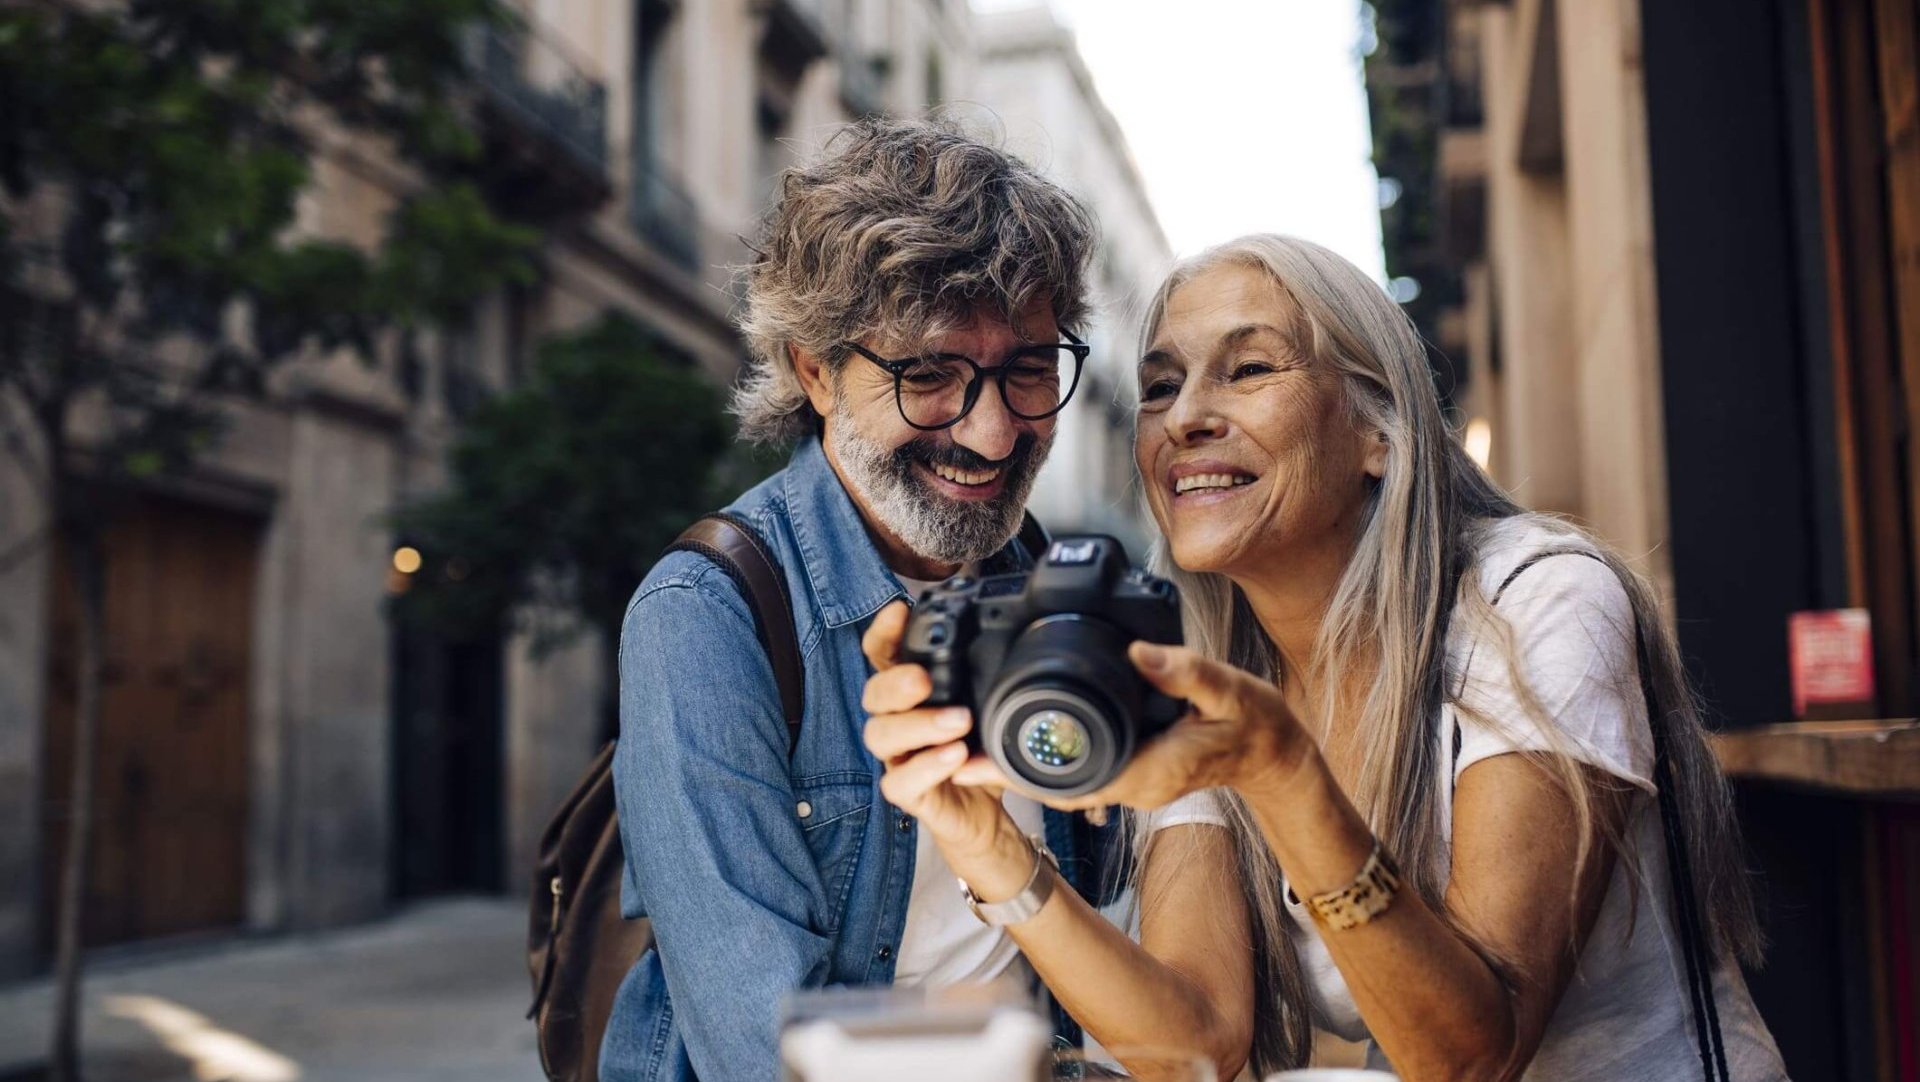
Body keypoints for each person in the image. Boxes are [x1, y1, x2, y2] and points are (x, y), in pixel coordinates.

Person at [862, 234, 1792, 1080]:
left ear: (1378, 431)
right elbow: (1196, 1042)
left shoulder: (1534, 601)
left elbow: (1474, 1056)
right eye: (1161, 386)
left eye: (1249, 369)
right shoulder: (1197, 662)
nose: (1186, 417)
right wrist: (987, 846)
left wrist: (1281, 771)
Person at [600, 117, 1126, 1082]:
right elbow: (767, 1054)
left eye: (1027, 370)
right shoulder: (705, 614)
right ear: (815, 369)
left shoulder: (1060, 585)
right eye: (929, 375)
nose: (993, 434)